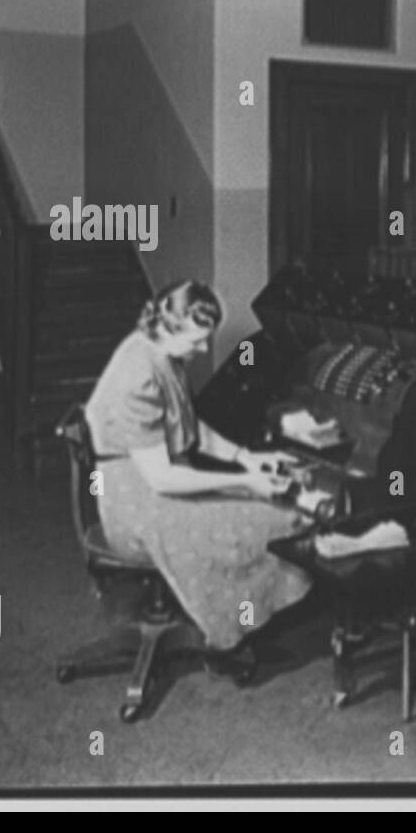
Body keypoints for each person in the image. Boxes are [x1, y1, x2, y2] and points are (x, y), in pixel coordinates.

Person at [84, 279, 313, 662]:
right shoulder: (137, 374)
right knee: (266, 515)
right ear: (166, 327)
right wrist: (244, 480)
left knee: (268, 502)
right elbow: (162, 478)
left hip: (151, 484)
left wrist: (244, 457)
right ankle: (227, 633)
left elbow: (189, 426)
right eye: (197, 340)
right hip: (135, 505)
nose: (205, 348)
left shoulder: (161, 354)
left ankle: (236, 618)